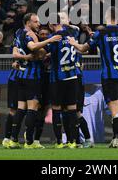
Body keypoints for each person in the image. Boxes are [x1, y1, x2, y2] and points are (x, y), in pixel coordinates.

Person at [68, 7, 118, 149]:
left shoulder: (100, 33)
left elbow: (83, 49)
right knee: (116, 106)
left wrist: (73, 43)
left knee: (113, 107)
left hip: (110, 75)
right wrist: (94, 36)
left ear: (106, 16)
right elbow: (110, 41)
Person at [3, 13, 61, 149]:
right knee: (32, 107)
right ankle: (29, 142)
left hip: (22, 75)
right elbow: (32, 47)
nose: (38, 24)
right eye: (36, 22)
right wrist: (49, 41)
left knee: (21, 108)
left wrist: (21, 58)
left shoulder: (18, 32)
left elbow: (16, 52)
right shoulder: (30, 34)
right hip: (32, 77)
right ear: (28, 22)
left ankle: (14, 140)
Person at [46, 15, 82, 149]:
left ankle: (60, 141)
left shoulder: (53, 38)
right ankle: (73, 141)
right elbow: (77, 28)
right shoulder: (72, 34)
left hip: (58, 78)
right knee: (72, 109)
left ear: (51, 24)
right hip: (72, 76)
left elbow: (45, 52)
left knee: (57, 109)